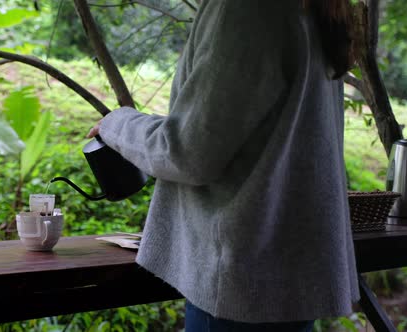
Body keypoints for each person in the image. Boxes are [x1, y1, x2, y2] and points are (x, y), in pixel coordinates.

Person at [87, 0, 360, 331]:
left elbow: (188, 152)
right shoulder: (309, 7)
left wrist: (116, 124)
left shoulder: (245, 8)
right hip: (290, 277)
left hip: (241, 283)